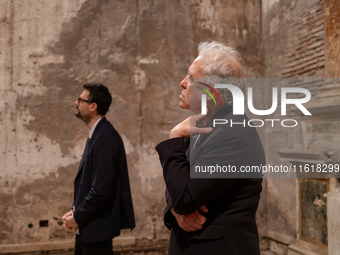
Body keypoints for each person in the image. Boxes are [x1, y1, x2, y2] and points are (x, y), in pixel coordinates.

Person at [155, 41, 265, 254]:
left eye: (192, 78)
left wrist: (174, 137)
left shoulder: (232, 134)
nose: (182, 82)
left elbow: (184, 198)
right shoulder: (204, 123)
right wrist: (176, 211)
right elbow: (175, 183)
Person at [62, 83, 135, 255]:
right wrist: (76, 211)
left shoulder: (105, 137)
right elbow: (88, 182)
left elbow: (100, 191)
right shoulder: (98, 134)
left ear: (93, 106)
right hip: (89, 227)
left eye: (80, 100)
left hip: (97, 228)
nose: (76, 103)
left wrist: (77, 217)